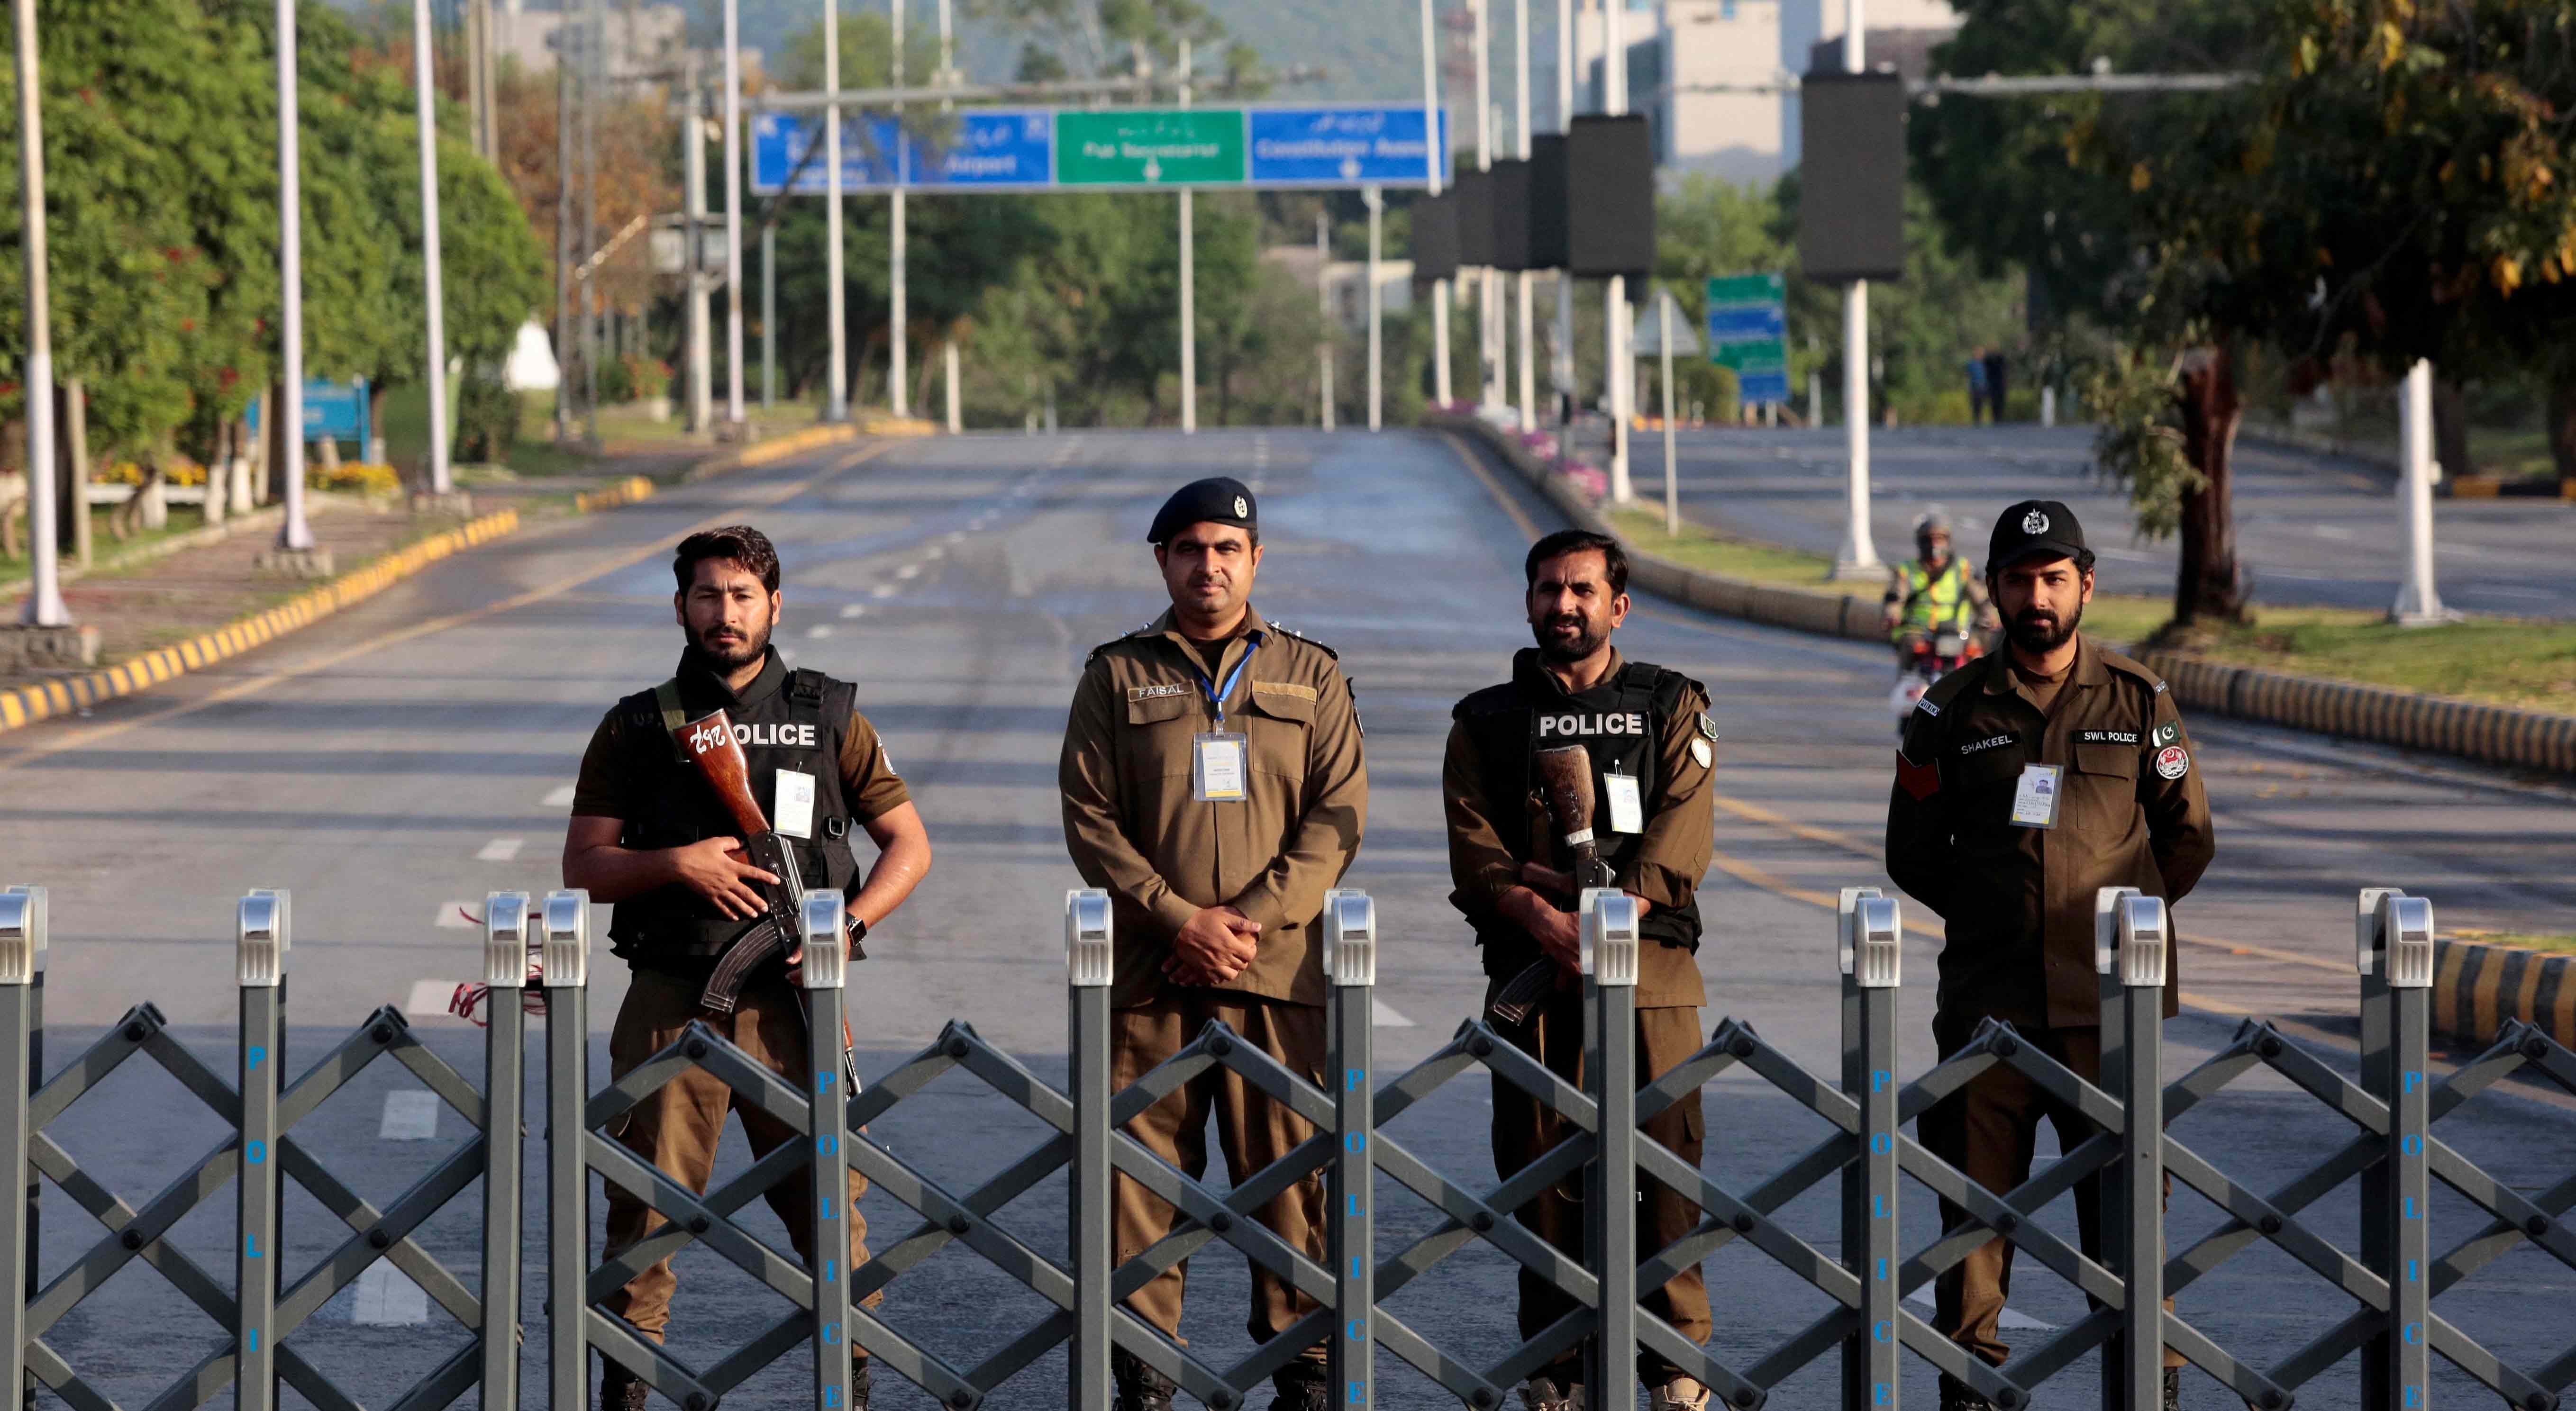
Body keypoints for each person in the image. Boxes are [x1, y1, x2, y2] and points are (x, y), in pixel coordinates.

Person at [562, 525, 934, 1411]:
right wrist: (678, 863)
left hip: (795, 1000)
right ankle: (627, 1385)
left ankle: (852, 1381)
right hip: (671, 991)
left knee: (830, 1209)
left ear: (775, 603)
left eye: (740, 596)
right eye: (706, 596)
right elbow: (584, 866)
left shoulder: (829, 713)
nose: (723, 613)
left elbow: (910, 844)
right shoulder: (638, 721)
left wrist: (846, 925)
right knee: (645, 1208)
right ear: (681, 605)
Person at [1884, 501, 2215, 1411]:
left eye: (2055, 578)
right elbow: (1910, 852)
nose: (2039, 596)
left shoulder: (2139, 700)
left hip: (2111, 1010)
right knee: (1974, 1219)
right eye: (2022, 578)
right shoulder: (1947, 711)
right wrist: (2002, 916)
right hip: (1988, 1006)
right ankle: (1970, 1383)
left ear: (2086, 584)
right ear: (1995, 589)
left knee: (2127, 1214)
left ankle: (2152, 1380)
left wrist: (2114, 929)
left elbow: (2187, 838)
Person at [1058, 477, 1368, 1411]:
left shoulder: (1309, 674)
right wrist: (1174, 917)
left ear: (1255, 560)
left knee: (1285, 1176)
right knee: (1140, 1180)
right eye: (1189, 549)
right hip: (1153, 974)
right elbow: (1089, 817)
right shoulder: (1116, 673)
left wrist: (1251, 922)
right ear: (1162, 560)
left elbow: (1337, 816)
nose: (1209, 566)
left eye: (1227, 549)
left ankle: (1302, 1370)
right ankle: (1144, 1371)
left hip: (1275, 974)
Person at [1443, 529, 1720, 1411]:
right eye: (1549, 590)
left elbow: (1683, 832)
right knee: (1539, 1169)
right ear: (1528, 601)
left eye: (1583, 591)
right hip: (1535, 972)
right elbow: (1474, 851)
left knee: (1668, 1167)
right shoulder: (1486, 719)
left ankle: (1675, 1366)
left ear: (1617, 605)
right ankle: (1557, 1366)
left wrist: (1611, 912)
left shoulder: (1672, 702)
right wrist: (1540, 918)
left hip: (1652, 971)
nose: (1565, 605)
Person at [1881, 508, 1998, 657]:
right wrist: (1892, 616)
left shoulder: (1962, 570)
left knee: (1977, 655)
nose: (1934, 545)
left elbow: (1981, 599)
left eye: (1939, 539)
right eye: (1929, 540)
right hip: (1918, 632)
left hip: (1956, 633)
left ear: (1948, 541)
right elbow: (1895, 598)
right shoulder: (1906, 571)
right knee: (1912, 652)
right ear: (1921, 543)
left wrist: (1989, 616)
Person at [1965, 348, 1992, 424]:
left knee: (1983, 404)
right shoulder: (1971, 364)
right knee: (1975, 404)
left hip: (1984, 387)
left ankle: (1982, 419)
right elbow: (1968, 376)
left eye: (1981, 353)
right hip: (1974, 387)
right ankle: (1977, 420)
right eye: (1978, 353)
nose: (1979, 355)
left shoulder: (1985, 364)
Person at [1983, 349, 2011, 423]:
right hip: (1994, 387)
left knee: (1999, 404)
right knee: (1995, 403)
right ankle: (1997, 418)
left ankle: (1999, 418)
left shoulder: (2000, 364)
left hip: (1999, 387)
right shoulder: (1990, 364)